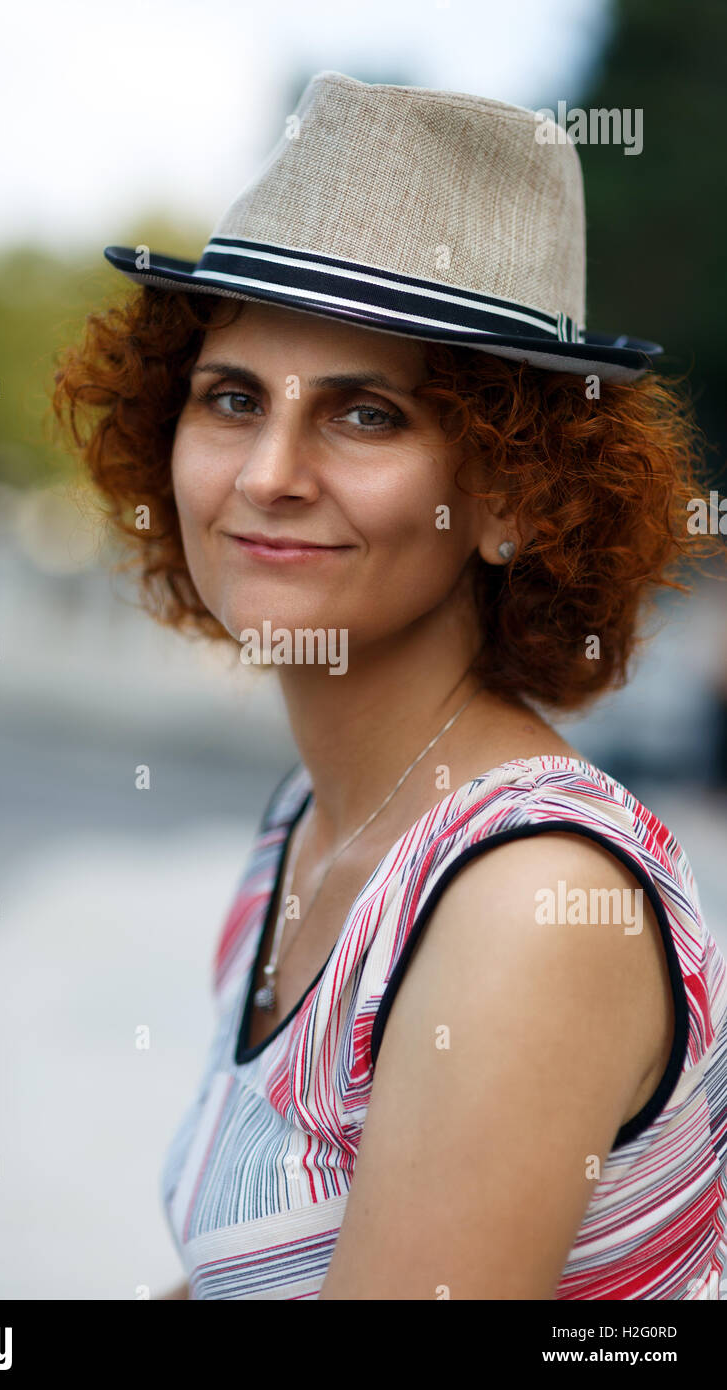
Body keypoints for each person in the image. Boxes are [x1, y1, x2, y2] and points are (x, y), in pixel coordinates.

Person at [51, 71, 727, 1300]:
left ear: (516, 493)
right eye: (232, 398)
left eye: (363, 414)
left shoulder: (524, 905)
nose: (267, 472)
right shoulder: (306, 825)